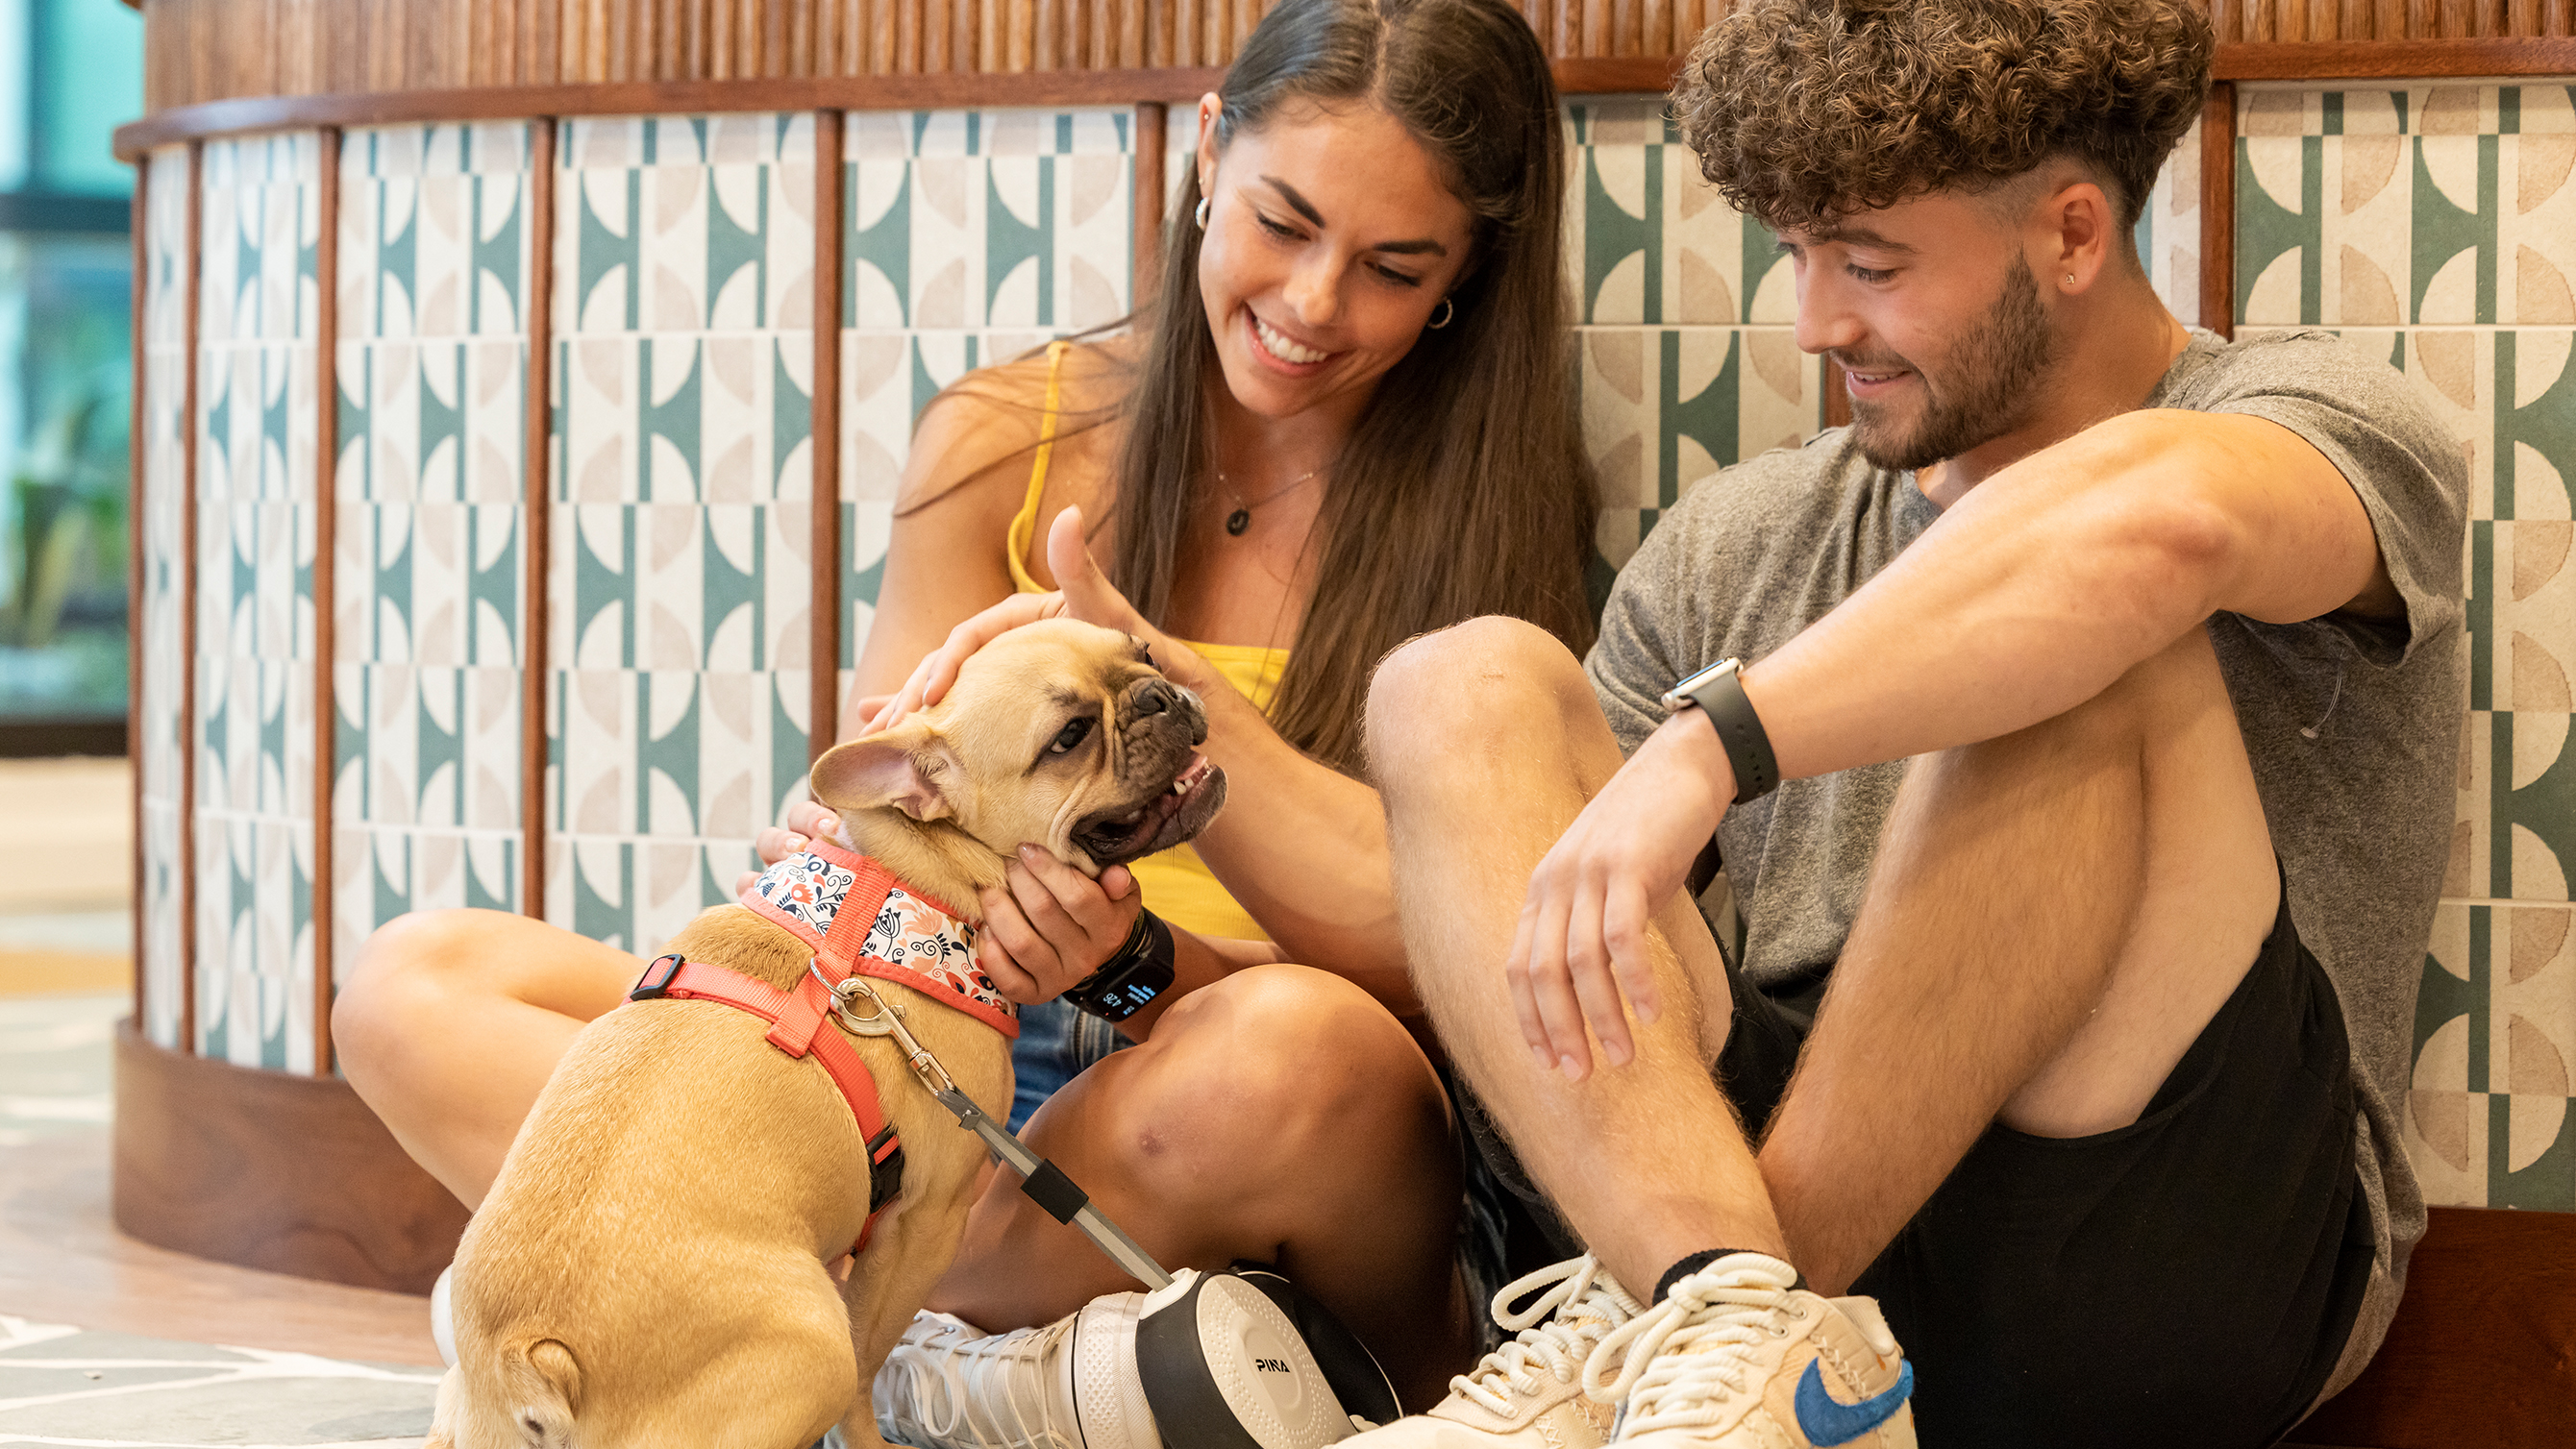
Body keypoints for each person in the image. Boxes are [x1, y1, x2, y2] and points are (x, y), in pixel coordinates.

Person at [332, 0, 1598, 1415]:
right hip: (922, 1062)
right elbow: (874, 813)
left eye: (1390, 266)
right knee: (416, 983)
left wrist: (1134, 952)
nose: (1310, 303)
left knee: (1306, 1051)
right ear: (1204, 155)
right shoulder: (1013, 436)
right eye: (1283, 224)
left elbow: (1439, 977)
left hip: (1216, 1084)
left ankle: (789, 1339)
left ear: (1464, 279)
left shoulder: (1496, 526)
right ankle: (943, 1362)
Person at [1325, 1, 2465, 1446]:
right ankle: (1732, 1332)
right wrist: (1159, 751)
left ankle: (1717, 1330)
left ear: (2068, 235)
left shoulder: (2325, 421)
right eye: (1799, 257)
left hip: (2159, 1223)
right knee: (1455, 681)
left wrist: (1711, 744)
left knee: (2089, 642)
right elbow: (1479, 900)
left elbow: (2157, 531)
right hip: (1775, 1186)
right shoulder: (1742, 536)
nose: (1814, 325)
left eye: (1869, 263)